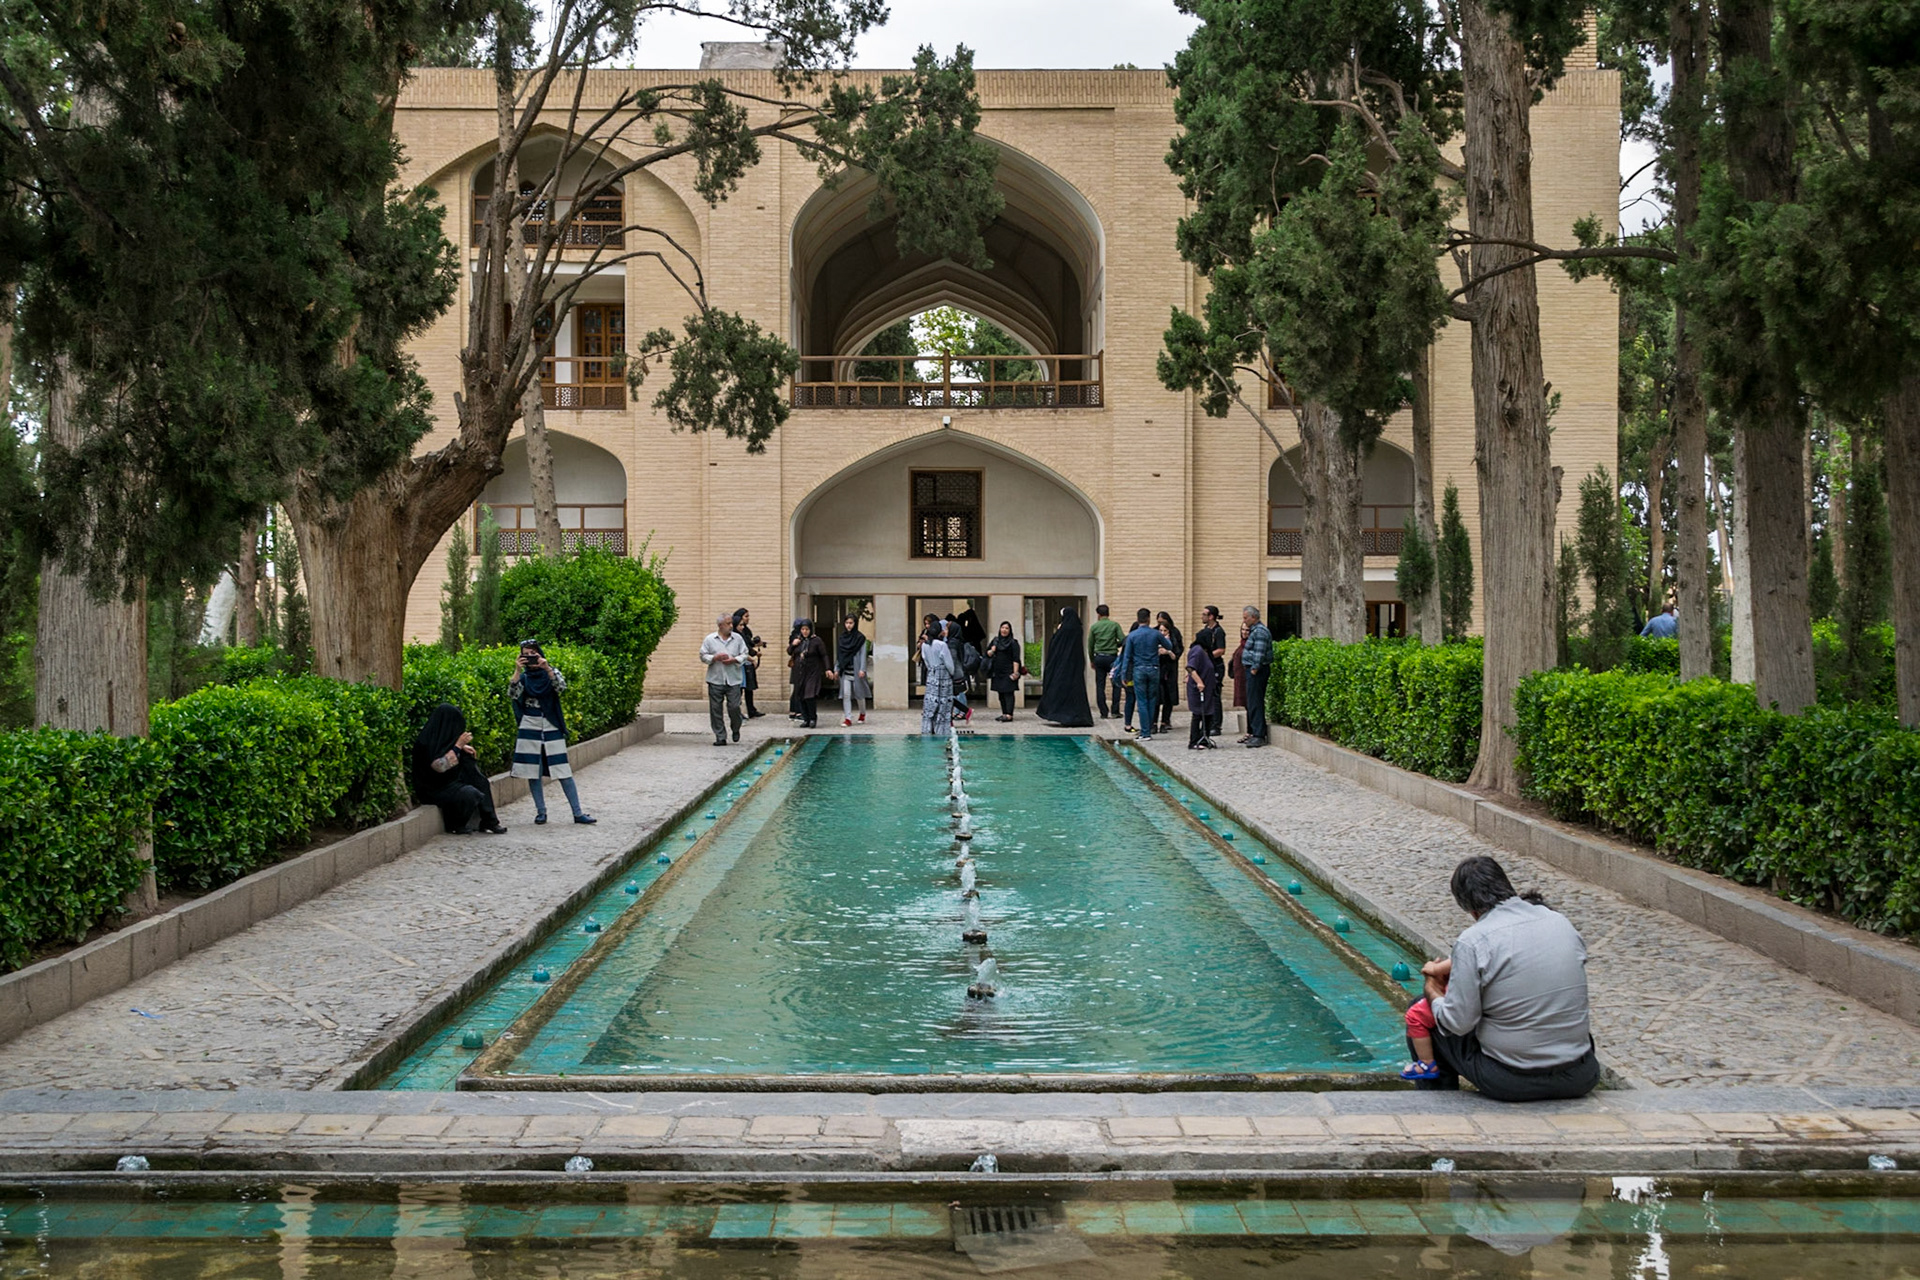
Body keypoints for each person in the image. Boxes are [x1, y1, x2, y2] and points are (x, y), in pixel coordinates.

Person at [1404, 856, 1600, 1102]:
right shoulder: (1560, 922)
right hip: (1580, 1074)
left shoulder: (1473, 940)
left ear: (1471, 910)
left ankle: (1440, 1106)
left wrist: (1433, 991)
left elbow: (1458, 1023)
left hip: (1511, 1081)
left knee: (1421, 1012)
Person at [510, 640, 595, 825]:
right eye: (526, 654)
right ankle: (541, 812)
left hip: (551, 724)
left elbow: (561, 688)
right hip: (529, 725)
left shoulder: (551, 672)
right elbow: (513, 695)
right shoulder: (523, 677)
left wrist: (547, 668)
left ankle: (578, 813)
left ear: (539, 653)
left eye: (533, 653)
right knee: (534, 770)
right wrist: (517, 671)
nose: (531, 658)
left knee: (563, 769)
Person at [411, 702, 504, 834]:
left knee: (479, 781)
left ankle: (490, 820)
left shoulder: (443, 739)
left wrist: (461, 749)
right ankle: (456, 824)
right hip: (433, 788)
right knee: (470, 793)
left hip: (449, 782)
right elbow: (439, 766)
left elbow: (446, 747)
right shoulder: (425, 742)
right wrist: (458, 745)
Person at [1119, 608, 1171, 741]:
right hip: (1154, 668)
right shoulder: (1155, 634)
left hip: (1139, 669)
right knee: (1152, 700)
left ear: (1138, 619)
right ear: (1148, 619)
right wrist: (1166, 638)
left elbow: (1127, 656)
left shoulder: (1132, 636)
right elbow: (1169, 646)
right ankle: (1148, 729)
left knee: (1141, 700)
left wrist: (1124, 674)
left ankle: (1145, 732)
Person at [1037, 605, 1095, 727]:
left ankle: (1062, 715)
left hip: (1062, 665)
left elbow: (1055, 645)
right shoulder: (1078, 628)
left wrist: (1058, 631)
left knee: (1059, 689)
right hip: (1075, 665)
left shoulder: (1065, 629)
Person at [700, 612, 748, 746]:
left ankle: (736, 727)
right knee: (715, 709)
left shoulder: (737, 639)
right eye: (728, 624)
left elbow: (745, 654)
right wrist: (714, 658)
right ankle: (720, 736)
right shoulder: (710, 639)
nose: (731, 626)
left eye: (731, 623)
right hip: (715, 679)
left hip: (733, 679)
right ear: (720, 625)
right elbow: (703, 655)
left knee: (734, 707)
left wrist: (735, 660)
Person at [1239, 606, 1273, 748]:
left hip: (1257, 671)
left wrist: (1254, 668)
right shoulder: (1255, 631)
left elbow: (1259, 652)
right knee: (1252, 701)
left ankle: (1259, 734)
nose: (1244, 620)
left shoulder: (1259, 632)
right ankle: (1254, 732)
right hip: (1253, 670)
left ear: (1254, 617)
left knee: (1256, 701)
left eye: (1246, 617)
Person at [919, 614, 958, 736]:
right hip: (943, 676)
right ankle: (941, 730)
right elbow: (949, 663)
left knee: (931, 702)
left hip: (931, 675)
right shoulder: (941, 645)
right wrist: (951, 674)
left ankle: (927, 728)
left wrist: (932, 669)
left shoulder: (924, 645)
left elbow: (925, 659)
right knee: (943, 704)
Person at [1194, 606, 1228, 738]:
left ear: (1211, 616)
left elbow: (1221, 650)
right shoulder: (1205, 630)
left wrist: (1206, 657)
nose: (1202, 616)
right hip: (1207, 667)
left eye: (1204, 614)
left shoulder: (1218, 632)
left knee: (1215, 695)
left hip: (1215, 666)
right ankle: (1207, 723)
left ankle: (1216, 725)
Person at [790, 618, 830, 729]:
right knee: (801, 696)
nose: (805, 631)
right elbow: (789, 651)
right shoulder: (799, 640)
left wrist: (827, 668)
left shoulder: (816, 641)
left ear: (810, 629)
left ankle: (813, 718)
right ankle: (806, 719)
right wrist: (793, 644)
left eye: (807, 629)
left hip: (813, 672)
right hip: (800, 672)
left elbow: (824, 655)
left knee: (809, 695)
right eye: (803, 629)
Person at [985, 620, 1026, 721]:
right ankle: (1004, 713)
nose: (1004, 630)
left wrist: (1015, 672)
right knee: (1001, 693)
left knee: (1008, 693)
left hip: (1009, 671)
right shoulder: (995, 641)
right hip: (997, 671)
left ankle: (1009, 714)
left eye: (1006, 628)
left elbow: (1016, 659)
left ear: (1010, 630)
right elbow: (987, 654)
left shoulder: (1013, 643)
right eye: (1002, 627)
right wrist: (992, 650)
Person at [1089, 604, 1124, 719]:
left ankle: (1103, 712)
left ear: (1098, 614)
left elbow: (1090, 645)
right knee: (1116, 684)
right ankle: (1115, 711)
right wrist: (1115, 644)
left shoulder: (1094, 627)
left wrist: (1092, 660)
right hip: (1112, 658)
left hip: (1099, 657)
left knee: (1100, 685)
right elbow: (1123, 640)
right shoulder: (1114, 625)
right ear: (1108, 613)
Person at [835, 613, 871, 726]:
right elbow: (839, 655)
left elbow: (863, 654)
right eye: (846, 623)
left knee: (859, 694)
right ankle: (848, 718)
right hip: (845, 671)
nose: (848, 625)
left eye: (851, 623)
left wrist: (862, 669)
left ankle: (862, 713)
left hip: (856, 671)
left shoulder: (860, 638)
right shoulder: (842, 638)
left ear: (855, 624)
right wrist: (836, 668)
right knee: (846, 694)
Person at [1184, 637, 1219, 750]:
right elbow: (1190, 667)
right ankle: (1194, 740)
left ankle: (1204, 738)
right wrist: (1199, 682)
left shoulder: (1203, 652)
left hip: (1208, 689)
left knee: (1208, 714)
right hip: (1199, 689)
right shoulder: (1197, 651)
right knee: (1198, 714)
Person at [732, 608, 767, 718]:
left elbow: (748, 644)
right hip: (740, 664)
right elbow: (743, 649)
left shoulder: (745, 632)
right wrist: (753, 656)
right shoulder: (735, 635)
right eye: (746, 616)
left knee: (748, 688)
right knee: (740, 689)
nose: (747, 620)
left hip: (746, 664)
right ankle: (738, 712)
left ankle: (751, 709)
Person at [1155, 611, 1184, 733]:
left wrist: (1169, 651)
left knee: (1168, 695)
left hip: (1170, 668)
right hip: (1158, 667)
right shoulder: (1154, 632)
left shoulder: (1175, 632)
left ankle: (1165, 720)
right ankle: (1153, 721)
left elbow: (1179, 649)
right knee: (1156, 695)